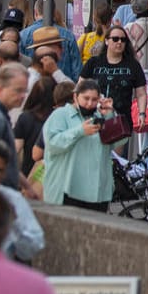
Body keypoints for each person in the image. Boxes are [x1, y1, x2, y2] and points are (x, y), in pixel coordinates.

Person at [39, 79, 114, 210]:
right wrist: (80, 131)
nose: (90, 104)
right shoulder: (60, 115)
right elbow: (52, 144)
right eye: (86, 98)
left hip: (96, 192)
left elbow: (118, 142)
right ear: (75, 96)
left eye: (94, 99)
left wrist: (111, 117)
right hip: (67, 189)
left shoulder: (100, 117)